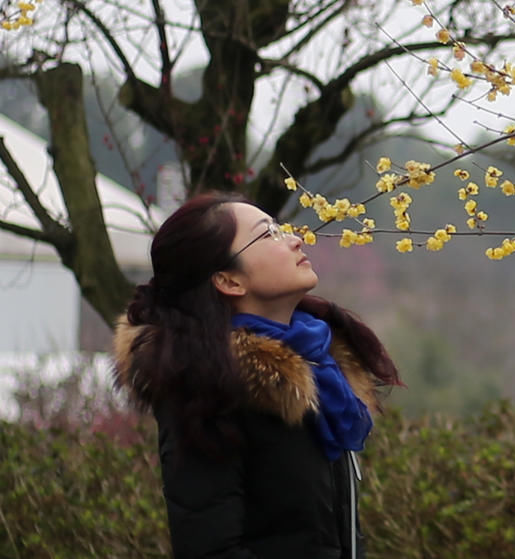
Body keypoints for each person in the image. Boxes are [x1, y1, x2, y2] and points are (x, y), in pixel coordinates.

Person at [113, 192, 400, 559]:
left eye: (281, 229)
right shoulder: (208, 390)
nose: (295, 238)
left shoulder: (318, 368)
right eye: (268, 234)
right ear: (229, 281)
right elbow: (210, 549)